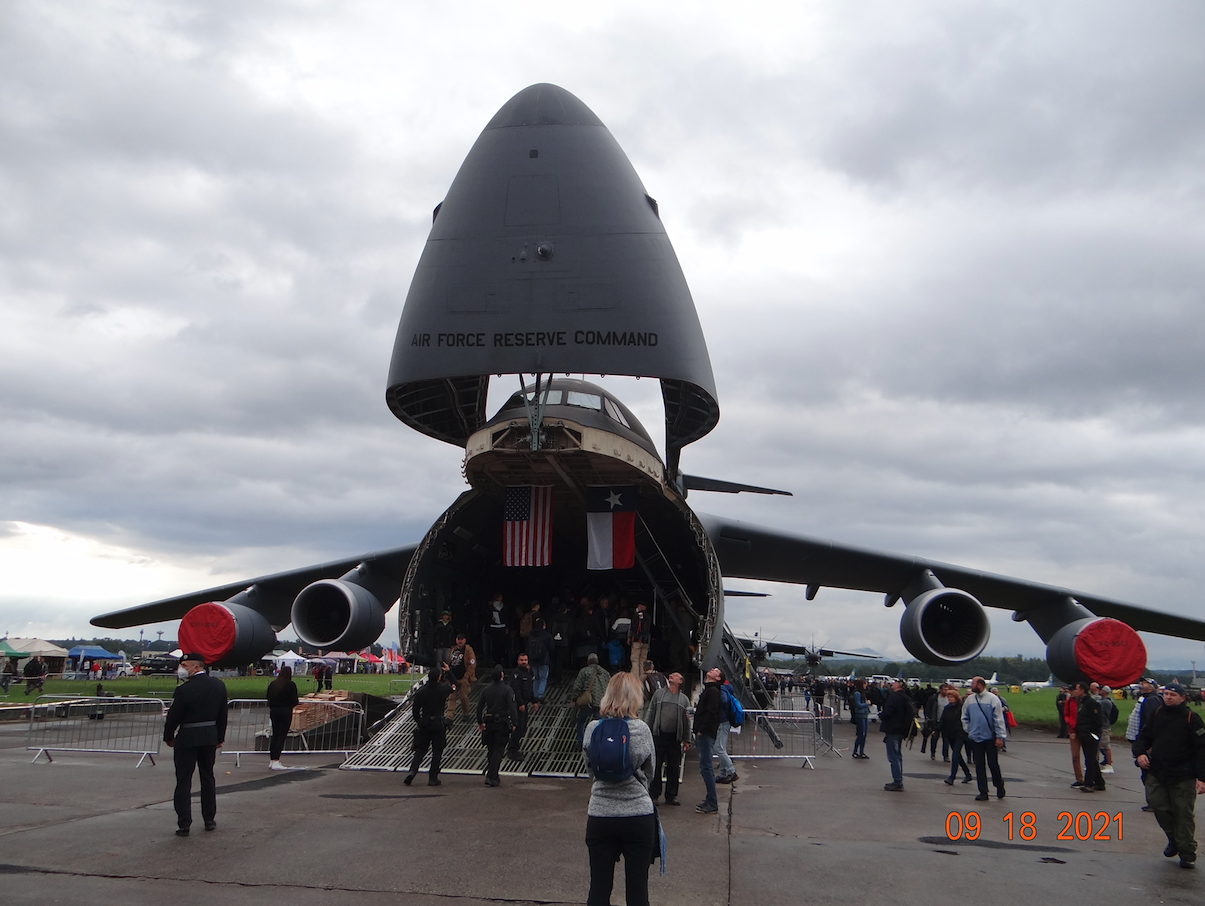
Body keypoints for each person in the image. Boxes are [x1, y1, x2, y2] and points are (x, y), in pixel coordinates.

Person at [583, 672, 657, 906]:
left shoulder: (593, 728)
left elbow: (591, 770)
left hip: (601, 814)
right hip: (638, 816)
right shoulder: (641, 729)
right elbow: (650, 772)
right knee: (637, 890)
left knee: (599, 887)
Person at [1132, 682, 1205, 869]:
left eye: (1173, 694)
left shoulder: (1192, 718)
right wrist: (1140, 753)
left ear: (1183, 697)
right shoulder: (1158, 714)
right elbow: (1143, 736)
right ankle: (1174, 840)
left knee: (1183, 812)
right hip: (1158, 771)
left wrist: (1202, 777)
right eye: (1166, 694)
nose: (1168, 697)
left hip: (1184, 774)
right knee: (1158, 805)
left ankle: (1187, 852)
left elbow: (1202, 749)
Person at [163, 652, 228, 836]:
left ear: (196, 667)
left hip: (188, 736)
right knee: (207, 777)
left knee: (184, 780)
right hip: (209, 736)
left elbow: (173, 717)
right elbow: (223, 713)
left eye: (185, 665)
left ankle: (184, 822)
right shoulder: (218, 686)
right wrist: (219, 737)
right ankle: (209, 818)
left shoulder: (184, 690)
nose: (182, 669)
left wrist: (169, 736)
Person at [643, 670, 690, 805]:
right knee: (656, 766)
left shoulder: (684, 699)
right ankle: (654, 794)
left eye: (675, 675)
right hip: (659, 736)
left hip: (675, 739)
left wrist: (687, 739)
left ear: (680, 681)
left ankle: (671, 796)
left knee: (673, 768)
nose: (671, 676)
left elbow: (687, 721)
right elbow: (650, 712)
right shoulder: (659, 694)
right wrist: (647, 731)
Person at [405, 668, 452, 786]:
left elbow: (415, 710)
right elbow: (455, 685)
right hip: (438, 723)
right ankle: (432, 777)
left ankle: (412, 771)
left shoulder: (421, 691)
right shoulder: (443, 689)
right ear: (438, 678)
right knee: (437, 751)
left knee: (420, 749)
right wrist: (449, 672)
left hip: (425, 723)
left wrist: (419, 721)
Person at [961, 676, 1006, 801]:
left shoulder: (993, 699)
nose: (971, 685)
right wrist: (969, 730)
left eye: (973, 683)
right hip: (976, 738)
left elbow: (998, 719)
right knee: (979, 765)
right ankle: (983, 791)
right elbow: (964, 717)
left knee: (993, 764)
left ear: (980, 685)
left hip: (990, 738)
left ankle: (999, 785)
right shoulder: (969, 700)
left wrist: (1000, 736)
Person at [477, 665, 517, 787]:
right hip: (501, 722)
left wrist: (480, 722)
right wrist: (515, 722)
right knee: (499, 750)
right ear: (501, 675)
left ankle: (494, 775)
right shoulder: (507, 689)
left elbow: (479, 707)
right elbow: (512, 707)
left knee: (491, 749)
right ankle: (491, 776)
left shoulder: (486, 690)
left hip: (489, 722)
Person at [693, 665, 724, 813]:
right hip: (704, 732)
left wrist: (701, 730)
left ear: (718, 678)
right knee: (705, 767)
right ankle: (709, 799)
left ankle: (712, 802)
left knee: (706, 768)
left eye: (715, 671)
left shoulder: (712, 691)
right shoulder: (711, 689)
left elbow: (712, 712)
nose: (711, 670)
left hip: (705, 734)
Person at [571, 653, 612, 747]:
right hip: (601, 702)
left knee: (581, 721)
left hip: (587, 702)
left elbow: (577, 686)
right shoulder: (605, 673)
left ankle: (580, 742)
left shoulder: (584, 671)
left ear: (588, 662)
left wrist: (574, 698)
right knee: (602, 722)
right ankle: (603, 741)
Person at [265, 665, 300, 771]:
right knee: (281, 736)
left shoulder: (273, 684)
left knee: (275, 735)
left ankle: (272, 760)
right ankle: (276, 760)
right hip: (285, 711)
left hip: (274, 711)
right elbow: (294, 700)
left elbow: (268, 697)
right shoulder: (290, 685)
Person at [1072, 681, 1105, 792]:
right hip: (1083, 734)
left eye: (1077, 689)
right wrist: (1076, 731)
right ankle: (1100, 783)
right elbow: (1081, 719)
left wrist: (1092, 733)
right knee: (1092, 760)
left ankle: (1089, 784)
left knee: (1090, 760)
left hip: (1090, 735)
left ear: (1082, 690)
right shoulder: (1082, 703)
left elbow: (1098, 720)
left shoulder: (1091, 703)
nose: (1075, 691)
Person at [879, 678, 911, 791]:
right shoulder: (905, 697)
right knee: (897, 755)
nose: (892, 684)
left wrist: (881, 715)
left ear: (898, 685)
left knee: (893, 756)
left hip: (893, 729)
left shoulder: (894, 697)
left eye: (895, 682)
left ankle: (897, 781)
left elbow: (888, 711)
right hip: (900, 730)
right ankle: (898, 779)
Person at [506, 652, 538, 761]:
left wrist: (534, 701)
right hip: (518, 705)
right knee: (518, 728)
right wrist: (520, 703)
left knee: (523, 728)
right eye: (522, 660)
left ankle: (514, 747)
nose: (524, 662)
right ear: (518, 661)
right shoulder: (516, 673)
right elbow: (516, 690)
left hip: (525, 704)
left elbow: (529, 689)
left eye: (525, 660)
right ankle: (512, 750)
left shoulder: (529, 673)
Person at [941, 689, 973, 785]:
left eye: (951, 697)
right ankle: (968, 774)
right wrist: (935, 729)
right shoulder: (947, 708)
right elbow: (943, 721)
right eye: (948, 697)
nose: (949, 699)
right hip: (950, 735)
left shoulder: (961, 708)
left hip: (960, 735)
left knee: (955, 756)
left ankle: (952, 777)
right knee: (958, 756)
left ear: (956, 698)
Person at [444, 632, 477, 721]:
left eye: (462, 639)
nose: (460, 641)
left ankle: (466, 714)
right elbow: (449, 661)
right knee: (451, 697)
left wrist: (466, 676)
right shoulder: (453, 649)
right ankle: (449, 717)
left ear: (465, 640)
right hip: (453, 678)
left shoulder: (468, 650)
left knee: (463, 697)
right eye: (458, 639)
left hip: (463, 679)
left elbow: (472, 665)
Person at [714, 670, 738, 785]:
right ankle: (722, 774)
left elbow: (723, 700)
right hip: (725, 721)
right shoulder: (727, 687)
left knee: (719, 748)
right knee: (721, 747)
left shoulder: (721, 688)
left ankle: (731, 771)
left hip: (722, 721)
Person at [526, 616, 554, 701]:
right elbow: (551, 647)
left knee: (536, 677)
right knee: (543, 678)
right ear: (543, 625)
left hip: (533, 660)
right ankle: (540, 695)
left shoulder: (531, 635)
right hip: (543, 659)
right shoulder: (546, 635)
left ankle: (535, 695)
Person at [628, 601, 651, 678]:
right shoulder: (649, 617)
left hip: (637, 640)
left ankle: (635, 678)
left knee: (635, 660)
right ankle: (642, 678)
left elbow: (633, 627)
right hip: (646, 641)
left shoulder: (637, 616)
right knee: (642, 661)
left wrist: (629, 637)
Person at [850, 680, 870, 759]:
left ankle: (862, 752)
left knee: (864, 735)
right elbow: (858, 704)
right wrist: (866, 704)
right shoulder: (857, 693)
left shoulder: (863, 693)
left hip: (865, 715)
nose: (866, 685)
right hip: (860, 715)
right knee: (860, 734)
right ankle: (855, 751)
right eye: (864, 684)